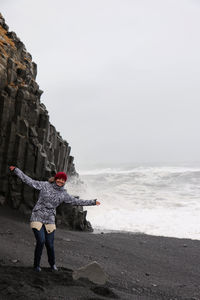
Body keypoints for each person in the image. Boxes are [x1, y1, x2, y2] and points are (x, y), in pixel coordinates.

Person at [9, 166, 100, 272]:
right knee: (41, 241)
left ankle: (52, 265)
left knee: (50, 244)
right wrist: (16, 170)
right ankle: (36, 266)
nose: (61, 181)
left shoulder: (63, 194)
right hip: (37, 216)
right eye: (59, 178)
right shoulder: (45, 185)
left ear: (64, 181)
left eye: (63, 179)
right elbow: (29, 181)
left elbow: (76, 201)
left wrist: (93, 202)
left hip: (50, 220)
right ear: (56, 179)